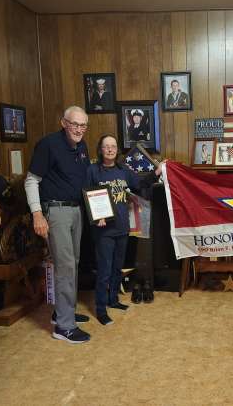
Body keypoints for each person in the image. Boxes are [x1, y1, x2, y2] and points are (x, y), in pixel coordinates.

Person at [24, 106, 91, 344]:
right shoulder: (48, 145)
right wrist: (37, 214)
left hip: (76, 210)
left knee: (73, 264)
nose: (79, 130)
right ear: (63, 123)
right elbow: (31, 181)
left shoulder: (82, 146)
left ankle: (63, 312)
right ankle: (64, 327)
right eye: (75, 124)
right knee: (65, 267)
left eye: (83, 125)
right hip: (56, 211)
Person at [86, 134, 163, 325]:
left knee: (116, 267)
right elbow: (86, 195)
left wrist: (157, 172)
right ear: (100, 149)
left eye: (113, 146)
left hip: (122, 227)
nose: (110, 149)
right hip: (103, 229)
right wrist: (96, 216)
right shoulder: (93, 170)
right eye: (106, 146)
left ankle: (113, 300)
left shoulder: (123, 170)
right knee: (104, 270)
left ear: (117, 150)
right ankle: (101, 309)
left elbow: (140, 184)